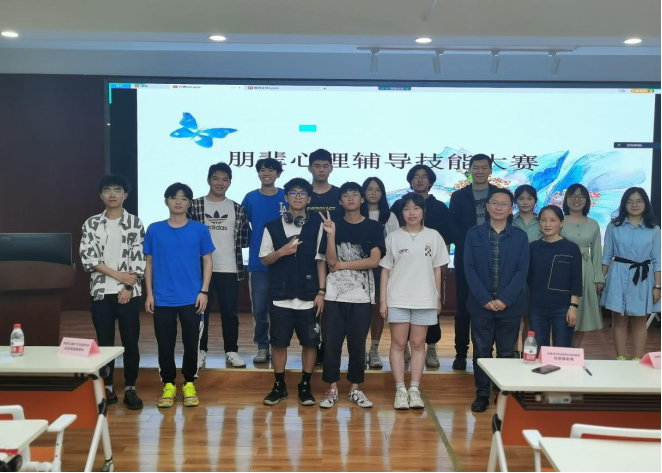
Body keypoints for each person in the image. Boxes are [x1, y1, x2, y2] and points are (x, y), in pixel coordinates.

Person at [144, 183, 215, 408]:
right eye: (174, 197)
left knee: (191, 343)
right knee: (164, 344)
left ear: (189, 203)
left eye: (183, 198)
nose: (178, 202)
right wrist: (149, 293)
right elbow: (149, 263)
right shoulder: (155, 229)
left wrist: (204, 291)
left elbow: (208, 261)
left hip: (192, 297)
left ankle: (189, 384)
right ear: (166, 200)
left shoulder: (200, 230)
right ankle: (168, 384)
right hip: (162, 297)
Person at [317, 182, 385, 409]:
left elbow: (373, 261)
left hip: (362, 297)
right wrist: (330, 235)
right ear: (340, 201)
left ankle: (355, 388)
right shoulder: (331, 225)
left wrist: (343, 265)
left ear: (362, 199)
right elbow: (330, 261)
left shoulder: (374, 227)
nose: (350, 198)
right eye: (345, 195)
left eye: (354, 194)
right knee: (331, 344)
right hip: (334, 296)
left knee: (357, 344)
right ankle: (332, 388)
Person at [80, 174, 145, 410]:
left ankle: (130, 388)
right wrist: (118, 276)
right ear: (101, 195)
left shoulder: (135, 223)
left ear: (125, 195)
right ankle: (107, 388)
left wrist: (127, 286)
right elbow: (89, 259)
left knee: (131, 343)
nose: (112, 194)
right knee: (105, 343)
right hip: (101, 292)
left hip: (128, 292)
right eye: (107, 190)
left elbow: (139, 259)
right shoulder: (91, 224)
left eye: (117, 190)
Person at [260, 178, 326, 406]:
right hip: (280, 296)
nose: (298, 197)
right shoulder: (271, 226)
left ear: (309, 199)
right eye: (293, 193)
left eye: (302, 193)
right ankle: (279, 386)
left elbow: (320, 260)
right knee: (279, 343)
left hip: (309, 296)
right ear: (286, 197)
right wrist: (281, 252)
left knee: (310, 343)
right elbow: (265, 259)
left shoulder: (317, 226)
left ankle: (305, 385)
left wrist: (321, 291)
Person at [380, 193, 449, 410]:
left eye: (416, 208)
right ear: (401, 212)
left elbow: (437, 269)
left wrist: (437, 297)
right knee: (399, 344)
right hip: (398, 298)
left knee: (418, 344)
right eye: (407, 208)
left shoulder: (434, 236)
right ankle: (400, 390)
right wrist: (383, 300)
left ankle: (414, 389)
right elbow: (385, 271)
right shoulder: (393, 237)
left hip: (425, 298)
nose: (411, 213)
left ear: (423, 211)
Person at [464, 188, 529, 413]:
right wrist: (484, 298)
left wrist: (505, 299)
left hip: (509, 305)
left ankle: (503, 393)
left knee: (506, 352)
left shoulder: (520, 236)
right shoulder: (473, 234)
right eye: (495, 203)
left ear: (511, 209)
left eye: (504, 204)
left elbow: (522, 271)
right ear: (487, 207)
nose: (499, 207)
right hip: (480, 304)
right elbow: (469, 269)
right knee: (481, 352)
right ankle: (482, 394)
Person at [189, 162, 250, 369]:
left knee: (230, 313)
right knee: (200, 312)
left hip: (229, 268)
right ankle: (200, 351)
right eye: (216, 178)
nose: (220, 183)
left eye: (225, 179)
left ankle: (231, 351)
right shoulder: (195, 205)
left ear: (230, 182)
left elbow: (244, 239)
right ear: (208, 180)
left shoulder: (237, 208)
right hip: (200, 269)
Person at [390, 164, 452, 368]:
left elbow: (446, 238)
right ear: (410, 181)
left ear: (431, 181)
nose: (420, 180)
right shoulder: (398, 204)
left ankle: (431, 346)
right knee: (403, 309)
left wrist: (442, 267)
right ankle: (405, 347)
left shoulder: (440, 207)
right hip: (404, 267)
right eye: (415, 176)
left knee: (430, 307)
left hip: (430, 265)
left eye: (424, 176)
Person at [449, 154, 498, 371]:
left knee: (491, 306)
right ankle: (460, 353)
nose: (480, 171)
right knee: (463, 307)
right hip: (465, 258)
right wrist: (470, 248)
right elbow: (453, 227)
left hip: (494, 258)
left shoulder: (498, 195)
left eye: (484, 167)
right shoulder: (459, 196)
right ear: (469, 170)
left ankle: (487, 353)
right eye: (476, 167)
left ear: (490, 171)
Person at [602, 187, 661, 361]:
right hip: (618, 275)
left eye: (639, 201)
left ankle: (637, 359)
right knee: (619, 320)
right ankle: (620, 358)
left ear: (645, 204)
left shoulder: (654, 230)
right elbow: (607, 256)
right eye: (630, 201)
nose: (634, 205)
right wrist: (600, 279)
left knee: (639, 321)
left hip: (643, 278)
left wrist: (658, 286)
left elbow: (658, 261)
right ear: (624, 204)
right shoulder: (614, 226)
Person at [242, 158, 287, 364]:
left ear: (278, 174)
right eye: (262, 170)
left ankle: (278, 346)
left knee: (280, 309)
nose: (266, 173)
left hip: (284, 262)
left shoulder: (287, 196)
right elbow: (242, 226)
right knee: (259, 309)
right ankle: (262, 346)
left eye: (271, 170)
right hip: (258, 263)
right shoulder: (250, 198)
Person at [528, 206, 583, 349]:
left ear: (561, 223)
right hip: (536, 308)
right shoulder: (532, 248)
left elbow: (576, 280)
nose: (547, 224)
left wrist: (573, 307)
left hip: (563, 308)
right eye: (543, 220)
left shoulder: (571, 248)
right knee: (539, 351)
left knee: (562, 350)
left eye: (552, 220)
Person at [306, 148, 342, 365]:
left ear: (331, 168)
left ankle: (327, 346)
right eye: (317, 166)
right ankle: (313, 345)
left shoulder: (339, 194)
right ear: (309, 168)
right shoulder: (302, 192)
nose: (321, 170)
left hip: (332, 258)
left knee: (330, 307)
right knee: (312, 306)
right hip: (305, 257)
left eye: (325, 166)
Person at [560, 184, 605, 348]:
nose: (577, 199)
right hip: (562, 270)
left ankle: (574, 349)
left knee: (582, 312)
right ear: (566, 199)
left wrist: (599, 277)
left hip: (586, 271)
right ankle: (561, 347)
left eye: (581, 196)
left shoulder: (593, 224)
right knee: (561, 310)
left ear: (587, 200)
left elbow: (597, 253)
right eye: (572, 196)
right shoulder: (559, 220)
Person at [361, 177, 400, 369]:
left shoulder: (389, 216)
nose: (373, 193)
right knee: (359, 311)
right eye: (369, 189)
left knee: (378, 309)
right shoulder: (355, 212)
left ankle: (374, 349)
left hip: (382, 269)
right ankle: (359, 349)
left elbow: (395, 245)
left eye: (378, 189)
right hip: (358, 267)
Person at [512, 185, 541, 354]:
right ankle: (513, 352)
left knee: (531, 317)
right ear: (515, 201)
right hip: (514, 273)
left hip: (537, 273)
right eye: (521, 198)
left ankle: (527, 352)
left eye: (529, 198)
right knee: (513, 317)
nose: (525, 202)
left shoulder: (542, 221)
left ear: (535, 201)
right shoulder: (510, 221)